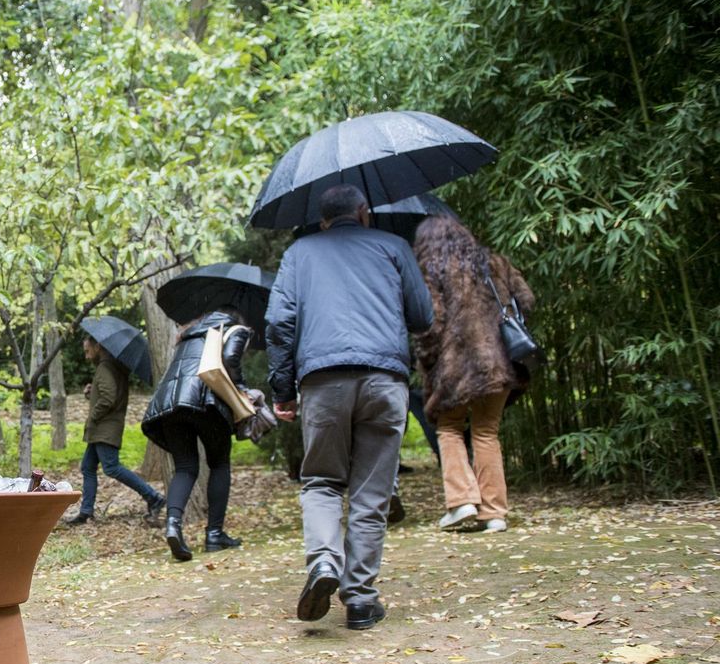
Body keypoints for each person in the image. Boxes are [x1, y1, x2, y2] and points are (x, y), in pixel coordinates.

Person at [266, 184, 433, 631]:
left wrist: (282, 390)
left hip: (323, 381)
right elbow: (423, 316)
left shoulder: (299, 254)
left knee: (321, 481)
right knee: (371, 492)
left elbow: (279, 323)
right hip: (385, 379)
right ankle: (360, 599)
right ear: (363, 212)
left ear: (323, 221)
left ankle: (324, 562)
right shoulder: (394, 247)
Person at [412, 216, 536, 533]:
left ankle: (462, 502)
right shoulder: (494, 262)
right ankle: (494, 514)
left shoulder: (432, 271)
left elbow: (431, 324)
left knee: (449, 427)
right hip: (499, 363)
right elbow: (526, 299)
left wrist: (428, 360)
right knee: (486, 433)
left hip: (456, 368)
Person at [140, 309, 252, 562]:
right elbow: (230, 358)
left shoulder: (188, 334)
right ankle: (214, 534)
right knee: (219, 464)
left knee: (185, 467)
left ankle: (173, 525)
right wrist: (242, 390)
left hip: (171, 404)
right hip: (206, 402)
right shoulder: (234, 329)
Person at [67, 335, 165, 526]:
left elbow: (108, 398)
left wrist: (93, 416)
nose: (86, 356)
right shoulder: (114, 366)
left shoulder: (105, 368)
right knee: (88, 466)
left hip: (104, 428)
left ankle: (153, 497)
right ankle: (86, 511)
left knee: (112, 467)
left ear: (98, 346)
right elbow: (108, 393)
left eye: (88, 351)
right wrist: (92, 392)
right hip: (103, 428)